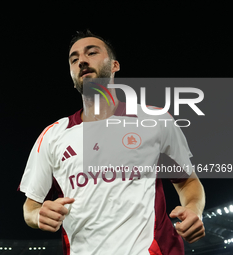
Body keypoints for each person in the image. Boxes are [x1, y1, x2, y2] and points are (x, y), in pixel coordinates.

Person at [19, 30, 205, 255]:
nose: (82, 61)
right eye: (74, 59)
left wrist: (193, 209)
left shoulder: (155, 120)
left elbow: (187, 182)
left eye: (92, 53)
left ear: (115, 65)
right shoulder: (52, 135)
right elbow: (30, 207)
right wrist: (38, 216)